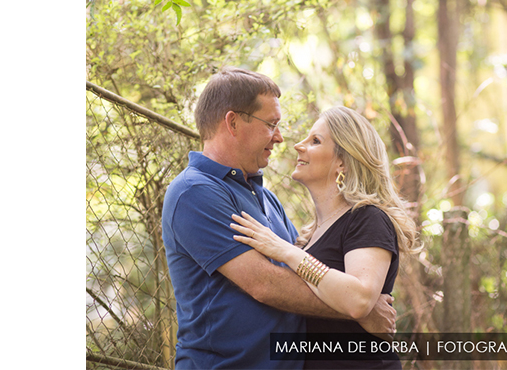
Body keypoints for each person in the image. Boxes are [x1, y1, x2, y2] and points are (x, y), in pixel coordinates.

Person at [162, 68, 396, 369]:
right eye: (271, 125)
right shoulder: (194, 192)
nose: (281, 138)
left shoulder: (266, 199)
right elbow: (265, 283)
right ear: (233, 122)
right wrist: (360, 309)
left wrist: (357, 301)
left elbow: (303, 273)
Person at [230, 105, 420, 369]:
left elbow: (360, 299)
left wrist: (286, 251)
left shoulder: (367, 218)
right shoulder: (309, 234)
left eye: (315, 141)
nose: (299, 145)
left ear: (342, 161)